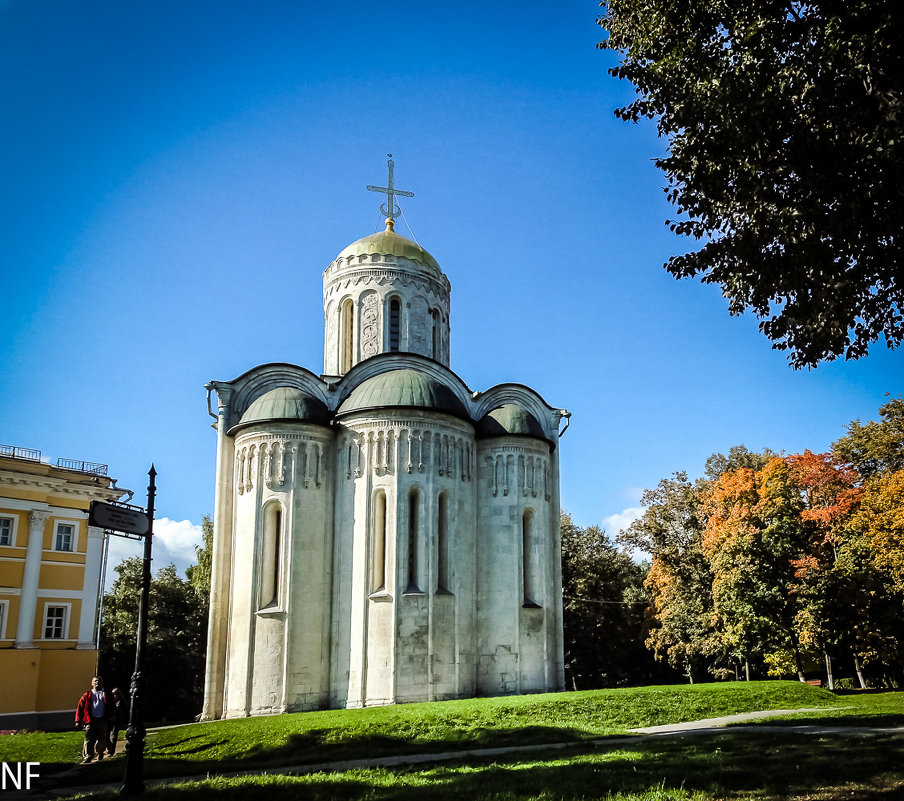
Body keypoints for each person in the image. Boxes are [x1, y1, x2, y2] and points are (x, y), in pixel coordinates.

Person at [74, 676, 110, 763]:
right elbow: (80, 708)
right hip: (90, 721)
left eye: (99, 681)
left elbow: (111, 706)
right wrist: (78, 721)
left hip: (102, 720)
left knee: (102, 739)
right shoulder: (87, 695)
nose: (97, 683)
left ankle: (100, 752)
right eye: (95, 681)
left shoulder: (107, 694)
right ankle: (88, 756)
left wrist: (112, 716)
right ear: (92, 683)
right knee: (89, 739)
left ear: (102, 682)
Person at [106, 687, 128, 757]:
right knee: (108, 735)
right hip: (110, 721)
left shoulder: (120, 702)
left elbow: (119, 711)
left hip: (117, 721)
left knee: (113, 736)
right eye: (113, 694)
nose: (114, 696)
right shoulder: (111, 702)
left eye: (116, 694)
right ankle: (109, 749)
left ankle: (111, 751)